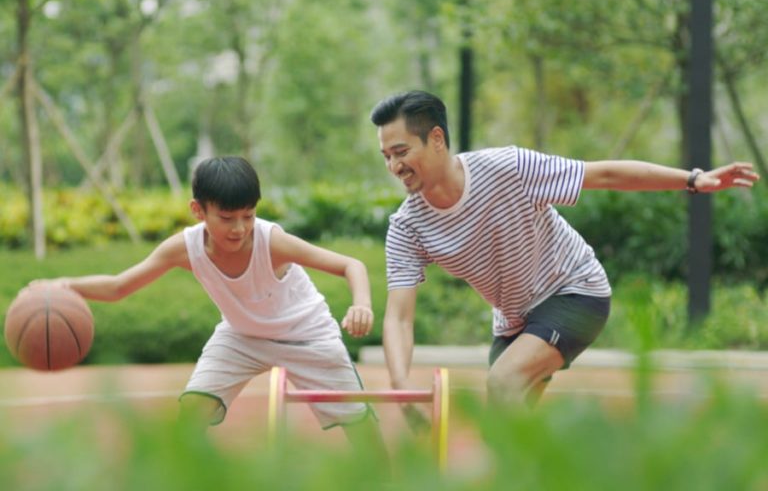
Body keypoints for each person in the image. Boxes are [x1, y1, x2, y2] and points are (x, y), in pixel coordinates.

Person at [369, 90, 760, 415]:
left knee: (503, 382)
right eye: (386, 156)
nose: (394, 165)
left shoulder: (509, 168)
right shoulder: (407, 227)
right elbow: (399, 317)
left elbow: (603, 175)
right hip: (515, 320)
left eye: (401, 151)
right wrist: (401, 385)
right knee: (511, 420)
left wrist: (693, 179)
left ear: (436, 139)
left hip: (575, 290)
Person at [31, 156, 386, 451]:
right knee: (189, 416)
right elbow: (119, 286)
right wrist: (62, 284)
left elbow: (349, 265)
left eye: (248, 215)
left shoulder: (271, 241)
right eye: (227, 218)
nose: (239, 228)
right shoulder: (183, 249)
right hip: (241, 338)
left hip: (307, 335)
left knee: (360, 429)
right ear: (198, 210)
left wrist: (362, 304)